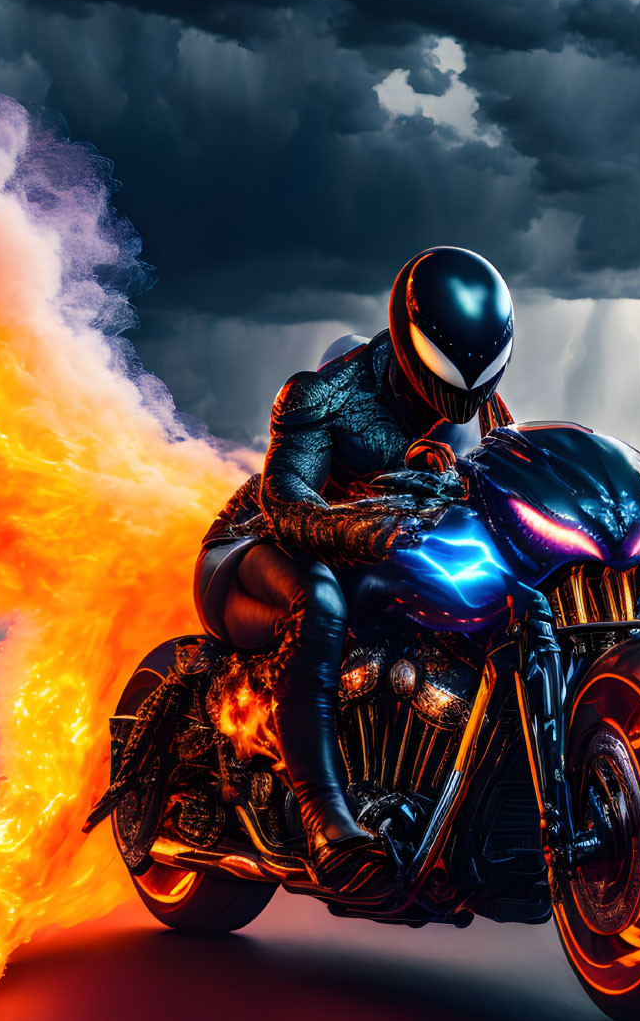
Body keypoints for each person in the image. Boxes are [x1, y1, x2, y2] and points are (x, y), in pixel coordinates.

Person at [194, 247, 517, 898]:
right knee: (319, 601)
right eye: (447, 367)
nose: (463, 390)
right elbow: (288, 509)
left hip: (368, 556)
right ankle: (325, 823)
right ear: (407, 337)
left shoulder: (485, 411)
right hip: (250, 550)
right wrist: (368, 528)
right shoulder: (322, 394)